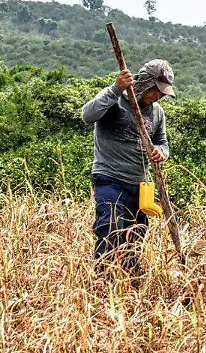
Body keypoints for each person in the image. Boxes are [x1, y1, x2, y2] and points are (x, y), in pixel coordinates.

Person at [80, 59, 174, 275]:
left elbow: (163, 143)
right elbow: (87, 115)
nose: (157, 96)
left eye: (161, 93)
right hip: (110, 179)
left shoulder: (157, 112)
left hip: (140, 186)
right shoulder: (115, 100)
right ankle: (104, 283)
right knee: (110, 230)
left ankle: (128, 286)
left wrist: (161, 153)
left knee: (135, 236)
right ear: (144, 82)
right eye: (155, 90)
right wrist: (116, 88)